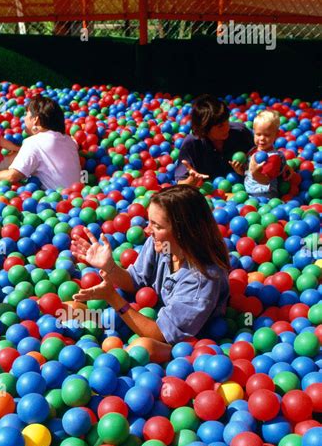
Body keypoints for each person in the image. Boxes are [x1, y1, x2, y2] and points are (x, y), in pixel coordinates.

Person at [71, 185, 230, 362]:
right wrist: (109, 267)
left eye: (157, 226)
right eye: (149, 222)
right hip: (150, 313)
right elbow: (135, 281)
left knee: (142, 348)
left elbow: (161, 336)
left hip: (185, 344)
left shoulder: (202, 278)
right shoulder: (161, 245)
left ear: (183, 232)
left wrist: (113, 298)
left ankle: (103, 367)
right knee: (73, 307)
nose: (147, 230)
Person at [0, 96, 82, 190]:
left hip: (57, 203)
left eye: (26, 114)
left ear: (35, 120)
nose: (24, 118)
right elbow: (75, 143)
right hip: (78, 198)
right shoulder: (69, 140)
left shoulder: (33, 142)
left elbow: (12, 176)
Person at [174, 94, 254, 187]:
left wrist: (245, 171)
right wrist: (192, 180)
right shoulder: (192, 144)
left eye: (227, 121)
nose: (226, 128)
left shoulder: (240, 132)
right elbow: (181, 184)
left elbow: (259, 163)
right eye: (220, 126)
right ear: (204, 129)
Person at [244, 110, 293, 199]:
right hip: (248, 193)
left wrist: (255, 172)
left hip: (265, 196)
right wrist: (240, 170)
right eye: (258, 134)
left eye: (267, 135)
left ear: (276, 135)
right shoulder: (253, 150)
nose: (262, 138)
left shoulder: (274, 158)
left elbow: (265, 181)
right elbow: (248, 172)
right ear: (253, 133)